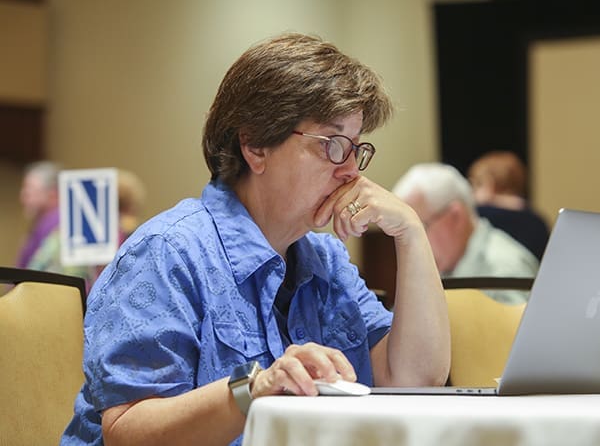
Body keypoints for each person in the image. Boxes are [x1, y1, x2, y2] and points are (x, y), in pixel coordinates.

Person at [61, 33, 450, 446]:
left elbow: (416, 379)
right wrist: (253, 390)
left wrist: (411, 232)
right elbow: (125, 432)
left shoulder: (327, 261)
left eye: (356, 148)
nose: (351, 171)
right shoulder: (167, 252)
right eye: (333, 144)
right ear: (256, 145)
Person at [392, 162, 538, 304]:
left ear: (456, 217)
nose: (410, 244)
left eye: (421, 227)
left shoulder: (505, 271)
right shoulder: (439, 267)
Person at [16, 161, 96, 283]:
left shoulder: (61, 224)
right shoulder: (43, 225)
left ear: (53, 193)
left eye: (29, 189)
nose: (23, 196)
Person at [467, 150, 549, 260]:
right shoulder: (538, 221)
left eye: (476, 185)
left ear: (489, 184)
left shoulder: (481, 215)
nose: (471, 192)